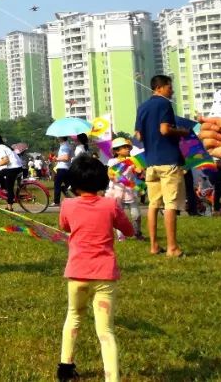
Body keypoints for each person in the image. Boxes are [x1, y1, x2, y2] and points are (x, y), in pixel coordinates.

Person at [56, 155, 135, 382]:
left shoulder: (68, 205)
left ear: (73, 182)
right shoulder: (110, 205)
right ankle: (112, 378)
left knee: (73, 317)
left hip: (77, 273)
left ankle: (65, 367)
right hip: (104, 275)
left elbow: (64, 225)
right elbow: (128, 230)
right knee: (105, 331)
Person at [134, 74, 191, 258]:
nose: (171, 90)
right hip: (168, 161)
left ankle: (153, 245)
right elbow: (165, 129)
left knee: (153, 204)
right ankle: (172, 247)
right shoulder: (165, 104)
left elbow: (138, 136)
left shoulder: (142, 107)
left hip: (151, 162)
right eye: (169, 86)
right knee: (171, 204)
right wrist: (181, 131)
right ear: (160, 88)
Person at [105, 137, 143, 239]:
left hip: (130, 191)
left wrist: (140, 170)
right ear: (117, 150)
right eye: (124, 147)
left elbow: (138, 171)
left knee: (136, 215)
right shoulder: (112, 161)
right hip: (117, 191)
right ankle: (121, 236)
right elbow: (110, 174)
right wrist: (117, 177)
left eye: (128, 147)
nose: (127, 149)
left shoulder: (132, 161)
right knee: (119, 215)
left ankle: (137, 233)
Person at [0, 133, 24, 211]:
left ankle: (10, 206)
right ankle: (4, 188)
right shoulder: (3, 146)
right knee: (0, 173)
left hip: (13, 168)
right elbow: (5, 159)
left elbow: (6, 160)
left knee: (9, 187)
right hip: (17, 167)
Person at [53, 137, 73, 205]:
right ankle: (74, 198)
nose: (57, 138)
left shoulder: (65, 146)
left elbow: (66, 158)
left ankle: (56, 202)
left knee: (57, 185)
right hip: (66, 168)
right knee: (68, 186)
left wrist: (56, 159)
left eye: (58, 137)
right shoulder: (66, 145)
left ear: (61, 138)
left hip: (62, 168)